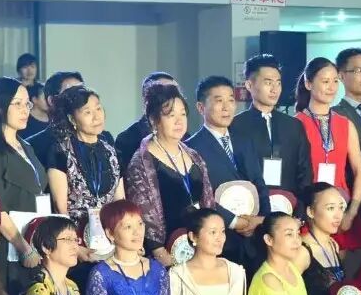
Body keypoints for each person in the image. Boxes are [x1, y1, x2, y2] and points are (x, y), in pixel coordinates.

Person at [126, 81, 216, 267]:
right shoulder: (142, 162)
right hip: (165, 254)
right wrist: (161, 254)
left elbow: (208, 202)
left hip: (200, 247)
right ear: (154, 119)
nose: (179, 121)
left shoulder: (194, 156)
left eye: (183, 114)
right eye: (171, 115)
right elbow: (142, 215)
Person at [0, 76, 48, 292]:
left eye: (27, 104)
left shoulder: (26, 146)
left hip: (35, 239)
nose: (25, 110)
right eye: (17, 104)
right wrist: (23, 247)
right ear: (0, 107)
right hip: (10, 248)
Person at [184, 75, 269, 262]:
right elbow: (198, 195)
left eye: (231, 100)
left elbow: (258, 182)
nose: (226, 107)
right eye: (218, 101)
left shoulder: (244, 141)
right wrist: (234, 222)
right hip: (221, 240)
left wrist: (263, 219)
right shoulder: (191, 148)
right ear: (200, 107)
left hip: (256, 236)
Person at [295, 56, 361, 248]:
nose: (331, 87)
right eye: (325, 81)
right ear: (308, 83)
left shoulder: (345, 124)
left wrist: (352, 211)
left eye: (335, 81)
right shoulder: (296, 123)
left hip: (341, 209)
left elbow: (359, 171)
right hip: (308, 210)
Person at [46, 85, 125, 252]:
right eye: (87, 112)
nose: (97, 117)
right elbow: (60, 208)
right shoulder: (61, 151)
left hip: (110, 239)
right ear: (72, 119)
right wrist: (73, 244)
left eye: (98, 109)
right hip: (76, 241)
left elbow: (120, 202)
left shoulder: (112, 151)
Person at [231, 54, 314, 196]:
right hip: (251, 203)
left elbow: (305, 171)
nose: (275, 89)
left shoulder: (294, 126)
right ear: (249, 85)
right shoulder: (235, 125)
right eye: (268, 83)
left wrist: (300, 203)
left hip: (289, 203)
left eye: (278, 83)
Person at [114, 71, 177, 171]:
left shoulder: (182, 135)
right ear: (146, 99)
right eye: (164, 93)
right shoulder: (127, 139)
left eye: (175, 93)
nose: (172, 99)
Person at [26, 70, 88, 166]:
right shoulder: (34, 146)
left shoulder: (103, 139)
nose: (80, 99)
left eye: (82, 92)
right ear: (51, 101)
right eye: (71, 93)